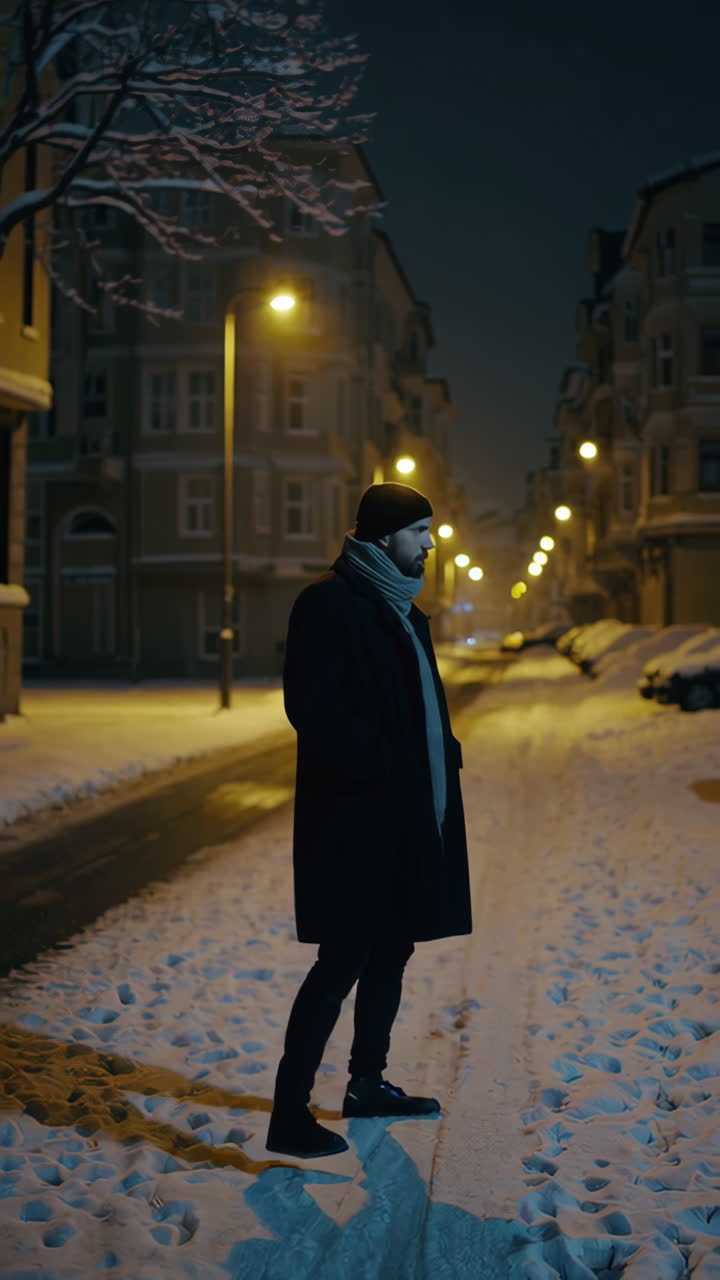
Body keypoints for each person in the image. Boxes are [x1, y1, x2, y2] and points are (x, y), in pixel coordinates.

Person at [266, 482, 473, 1159]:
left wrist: (437, 752)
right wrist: (384, 762)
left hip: (404, 817)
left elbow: (413, 705)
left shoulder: (406, 614)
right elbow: (312, 708)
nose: (431, 545)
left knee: (393, 946)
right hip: (356, 819)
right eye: (420, 533)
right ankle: (288, 1114)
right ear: (385, 537)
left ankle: (367, 1084)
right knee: (343, 958)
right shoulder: (329, 604)